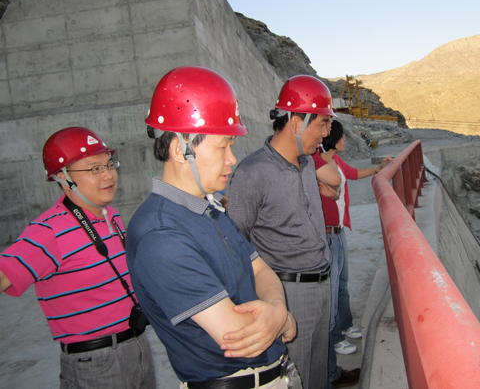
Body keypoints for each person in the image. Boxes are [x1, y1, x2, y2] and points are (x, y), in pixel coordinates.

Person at [125, 66, 297, 389]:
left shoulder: (209, 208)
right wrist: (284, 318)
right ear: (181, 150)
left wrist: (275, 310)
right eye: (223, 146)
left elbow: (261, 271)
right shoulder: (160, 234)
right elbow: (237, 333)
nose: (232, 159)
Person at [228, 75, 359, 389]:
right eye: (323, 124)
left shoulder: (304, 164)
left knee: (318, 376)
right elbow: (234, 248)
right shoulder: (252, 174)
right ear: (297, 123)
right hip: (288, 294)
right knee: (294, 379)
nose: (327, 133)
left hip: (321, 285)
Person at [0, 127, 156, 389]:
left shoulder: (112, 216)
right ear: (63, 177)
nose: (108, 175)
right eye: (94, 169)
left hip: (137, 346)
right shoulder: (48, 231)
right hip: (95, 365)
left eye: (109, 164)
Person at [314, 120, 392, 359]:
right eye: (342, 137)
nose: (345, 140)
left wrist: (379, 170)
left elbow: (353, 174)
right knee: (333, 288)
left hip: (338, 232)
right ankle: (336, 338)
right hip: (326, 234)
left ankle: (346, 325)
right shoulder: (314, 163)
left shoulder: (336, 161)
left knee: (343, 283)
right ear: (332, 139)